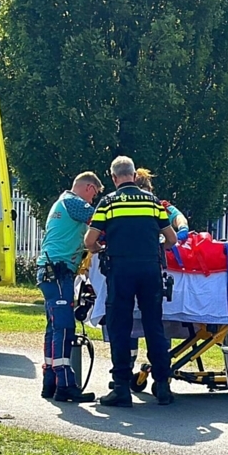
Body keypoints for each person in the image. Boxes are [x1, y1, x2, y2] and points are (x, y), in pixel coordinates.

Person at [85, 156, 178, 407]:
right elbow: (171, 239)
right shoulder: (153, 202)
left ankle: (122, 388)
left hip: (121, 270)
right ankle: (162, 385)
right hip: (149, 269)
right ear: (135, 176)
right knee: (153, 326)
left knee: (120, 327)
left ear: (114, 178)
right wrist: (156, 246)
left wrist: (100, 248)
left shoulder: (108, 203)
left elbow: (89, 241)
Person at [37, 171, 103, 403]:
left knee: (53, 328)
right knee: (64, 327)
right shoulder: (74, 203)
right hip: (59, 272)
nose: (92, 200)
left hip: (50, 271)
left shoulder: (61, 204)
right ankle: (65, 384)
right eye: (93, 195)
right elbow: (99, 221)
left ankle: (50, 381)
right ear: (88, 188)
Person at [135, 168, 189, 243]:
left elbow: (177, 216)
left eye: (147, 194)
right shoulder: (123, 209)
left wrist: (183, 228)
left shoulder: (160, 207)